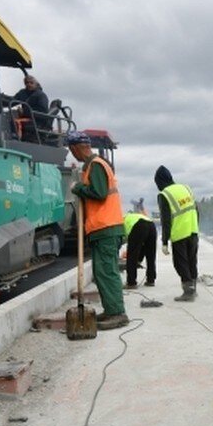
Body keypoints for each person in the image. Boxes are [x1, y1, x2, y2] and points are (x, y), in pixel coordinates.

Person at [67, 131, 129, 329]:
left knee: (107, 271)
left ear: (75, 148)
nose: (72, 154)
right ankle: (111, 310)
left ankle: (117, 313)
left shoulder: (95, 165)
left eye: (71, 150)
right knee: (101, 271)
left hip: (106, 227)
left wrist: (78, 188)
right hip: (102, 228)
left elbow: (100, 194)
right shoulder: (92, 166)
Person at [155, 165, 200, 302]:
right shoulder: (186, 188)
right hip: (193, 230)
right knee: (192, 261)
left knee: (180, 263)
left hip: (180, 233)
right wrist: (196, 226)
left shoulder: (165, 195)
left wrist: (164, 241)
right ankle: (193, 289)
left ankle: (188, 292)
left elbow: (166, 220)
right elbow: (196, 210)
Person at [123, 209, 157, 289]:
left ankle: (131, 283)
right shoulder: (131, 216)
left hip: (138, 226)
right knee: (151, 254)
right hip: (151, 225)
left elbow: (123, 240)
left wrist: (127, 253)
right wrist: (139, 258)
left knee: (131, 256)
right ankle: (151, 280)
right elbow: (142, 245)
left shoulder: (120, 222)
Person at [12, 75, 51, 141]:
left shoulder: (41, 95)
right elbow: (12, 101)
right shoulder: (23, 93)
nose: (29, 84)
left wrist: (24, 112)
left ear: (36, 84)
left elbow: (43, 111)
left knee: (16, 122)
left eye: (31, 83)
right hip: (27, 117)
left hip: (37, 121)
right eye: (27, 83)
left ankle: (18, 141)